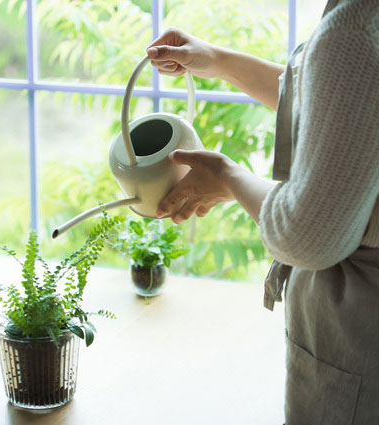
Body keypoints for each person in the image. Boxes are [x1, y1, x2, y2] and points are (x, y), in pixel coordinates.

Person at [146, 0, 379, 423]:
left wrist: (228, 178)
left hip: (362, 343)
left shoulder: (357, 26)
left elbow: (309, 233)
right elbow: (347, 106)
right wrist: (217, 60)